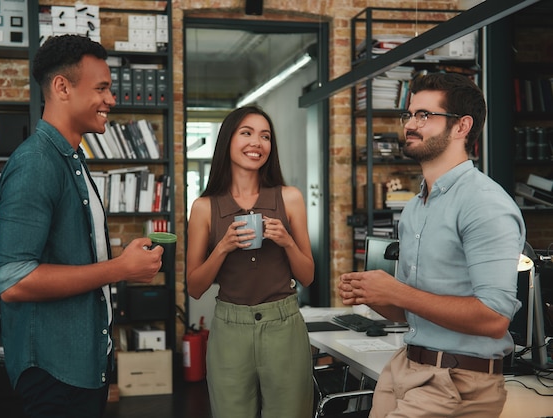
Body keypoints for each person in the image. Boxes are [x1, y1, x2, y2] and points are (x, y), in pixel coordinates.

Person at [0, 34, 163, 418]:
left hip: (83, 364)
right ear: (61, 87)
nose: (112, 100)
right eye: (101, 88)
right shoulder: (36, 162)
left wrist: (124, 262)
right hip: (55, 372)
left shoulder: (73, 160)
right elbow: (14, 280)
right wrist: (119, 268)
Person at [339, 72, 526, 417]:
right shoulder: (414, 208)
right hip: (405, 370)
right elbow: (414, 311)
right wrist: (375, 295)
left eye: (424, 115)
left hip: (457, 382)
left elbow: (494, 317)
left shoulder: (484, 203)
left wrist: (396, 292)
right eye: (409, 114)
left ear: (461, 126)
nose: (410, 124)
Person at [186, 106, 315, 418]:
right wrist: (223, 248)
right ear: (227, 141)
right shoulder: (204, 207)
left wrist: (286, 241)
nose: (257, 142)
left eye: (265, 136)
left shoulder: (290, 198)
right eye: (247, 133)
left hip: (284, 327)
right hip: (229, 330)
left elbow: (308, 276)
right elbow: (194, 287)